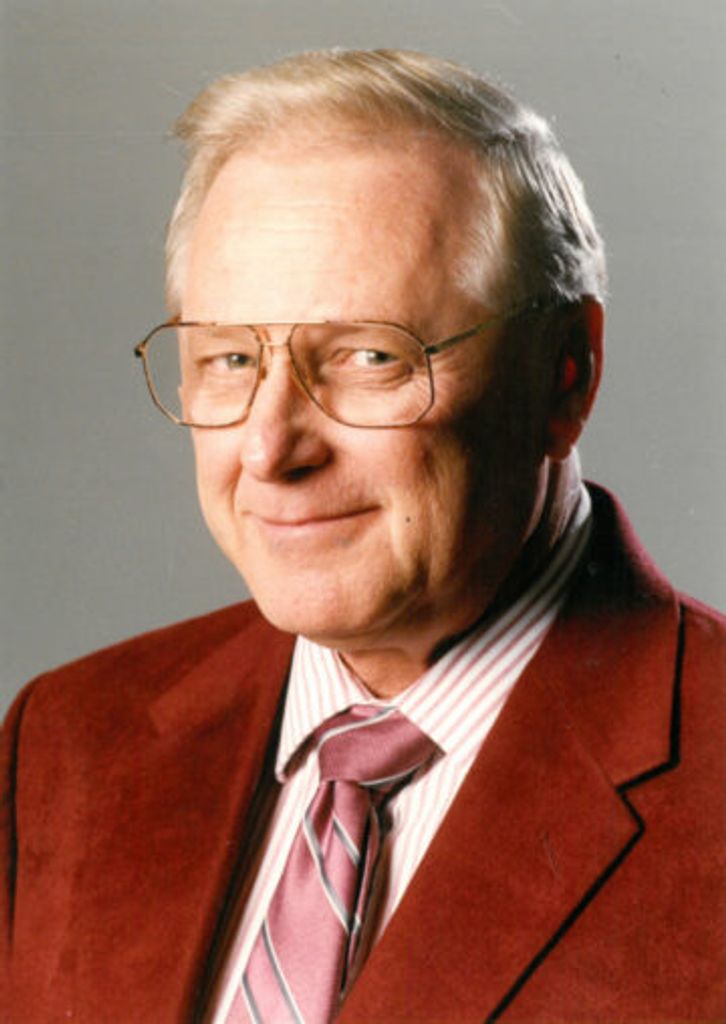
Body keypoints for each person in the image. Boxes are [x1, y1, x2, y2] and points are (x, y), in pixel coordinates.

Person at [2, 48, 724, 1024]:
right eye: (229, 359)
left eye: (369, 356)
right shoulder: (68, 742)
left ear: (566, 373)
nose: (269, 448)